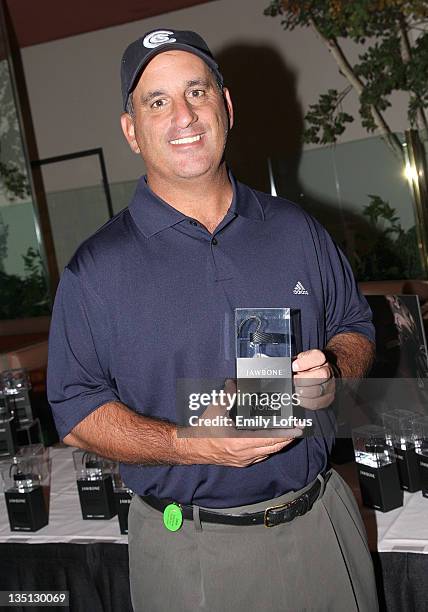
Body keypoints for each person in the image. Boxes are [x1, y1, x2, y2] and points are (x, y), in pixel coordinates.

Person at [47, 28, 379, 611]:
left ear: (226, 107)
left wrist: (332, 372)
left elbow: (354, 326)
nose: (184, 115)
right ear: (131, 130)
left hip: (324, 524)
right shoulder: (96, 270)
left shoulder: (295, 229)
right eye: (157, 101)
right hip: (191, 553)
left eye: (197, 92)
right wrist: (194, 444)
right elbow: (75, 412)